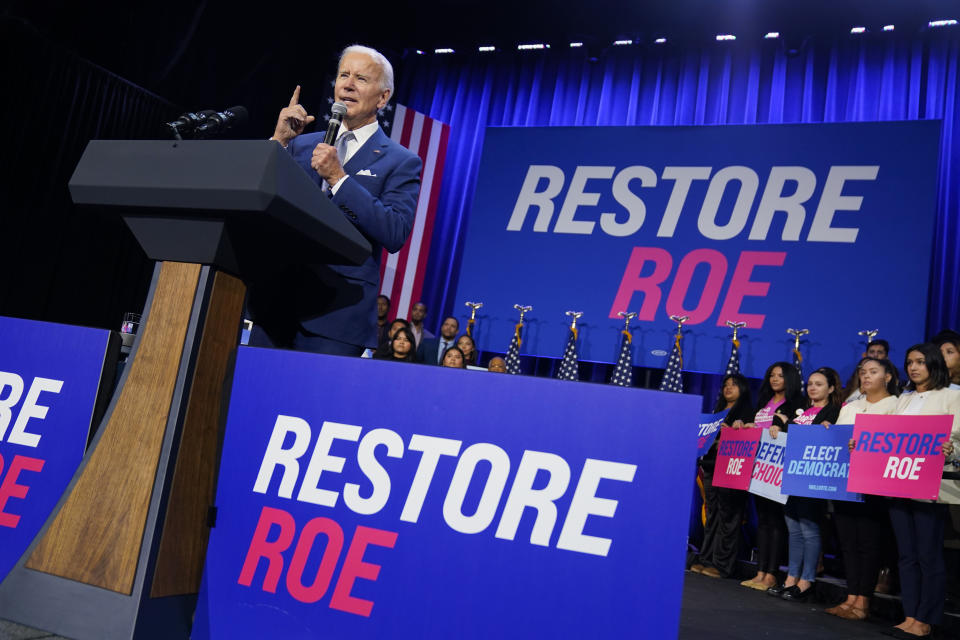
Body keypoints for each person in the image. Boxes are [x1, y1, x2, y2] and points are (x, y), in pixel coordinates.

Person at [247, 45, 422, 357]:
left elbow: (395, 231)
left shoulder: (401, 162)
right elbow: (260, 202)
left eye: (361, 78)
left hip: (338, 317)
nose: (348, 84)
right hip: (276, 305)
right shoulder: (300, 144)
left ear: (383, 98)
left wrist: (339, 179)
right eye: (344, 75)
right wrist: (277, 142)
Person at [886, 343, 960, 637]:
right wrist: (862, 444)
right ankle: (910, 614)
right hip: (897, 481)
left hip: (932, 483)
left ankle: (926, 619)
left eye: (919, 362)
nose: (913, 367)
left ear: (933, 364)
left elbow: (956, 438)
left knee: (928, 554)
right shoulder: (903, 398)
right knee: (906, 554)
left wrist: (951, 448)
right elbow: (887, 435)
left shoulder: (953, 396)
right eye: (909, 362)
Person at [827, 357, 900, 622]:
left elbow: (897, 442)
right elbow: (839, 438)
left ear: (888, 377)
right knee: (848, 542)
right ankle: (850, 596)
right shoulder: (850, 406)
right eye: (863, 372)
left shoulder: (895, 405)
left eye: (873, 372)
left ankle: (864, 601)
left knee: (869, 543)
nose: (866, 377)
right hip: (844, 482)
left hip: (874, 485)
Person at [766, 367, 843, 602]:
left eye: (819, 384)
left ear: (830, 388)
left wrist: (833, 431)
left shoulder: (835, 412)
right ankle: (791, 578)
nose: (812, 387)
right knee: (793, 528)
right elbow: (790, 437)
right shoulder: (803, 412)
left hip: (813, 479)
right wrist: (778, 428)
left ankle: (806, 579)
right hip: (791, 476)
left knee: (809, 529)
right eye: (810, 383)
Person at [740, 362, 804, 591]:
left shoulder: (798, 403)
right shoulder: (765, 402)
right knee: (763, 521)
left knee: (776, 522)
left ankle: (771, 574)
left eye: (780, 375)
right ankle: (760, 571)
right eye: (772, 375)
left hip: (780, 469)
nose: (775, 379)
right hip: (759, 468)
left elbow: (797, 431)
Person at [690, 373, 754, 579]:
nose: (728, 388)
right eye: (726, 385)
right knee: (712, 515)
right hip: (710, 466)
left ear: (742, 389)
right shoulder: (717, 412)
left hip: (732, 469)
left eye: (734, 385)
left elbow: (748, 439)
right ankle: (706, 558)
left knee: (729, 517)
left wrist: (730, 435)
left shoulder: (747, 413)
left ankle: (722, 564)